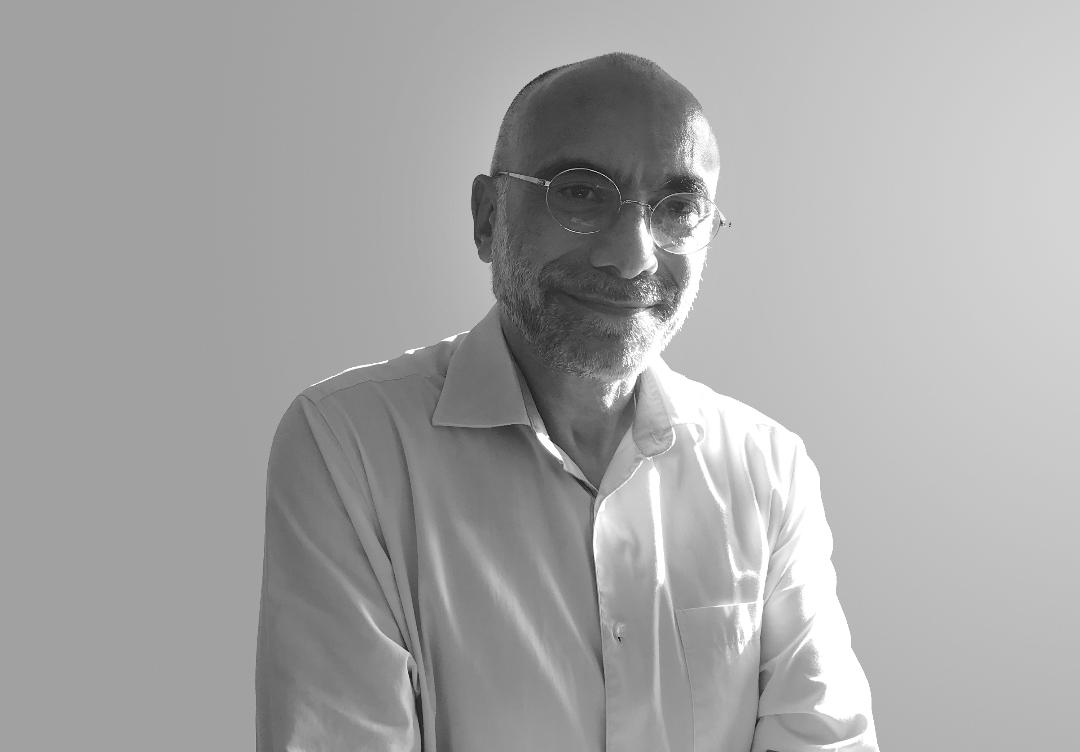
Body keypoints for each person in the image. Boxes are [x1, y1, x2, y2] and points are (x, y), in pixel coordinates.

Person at [256, 52, 879, 752]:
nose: (632, 257)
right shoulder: (350, 446)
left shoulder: (768, 469)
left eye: (679, 208)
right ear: (488, 218)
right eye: (581, 193)